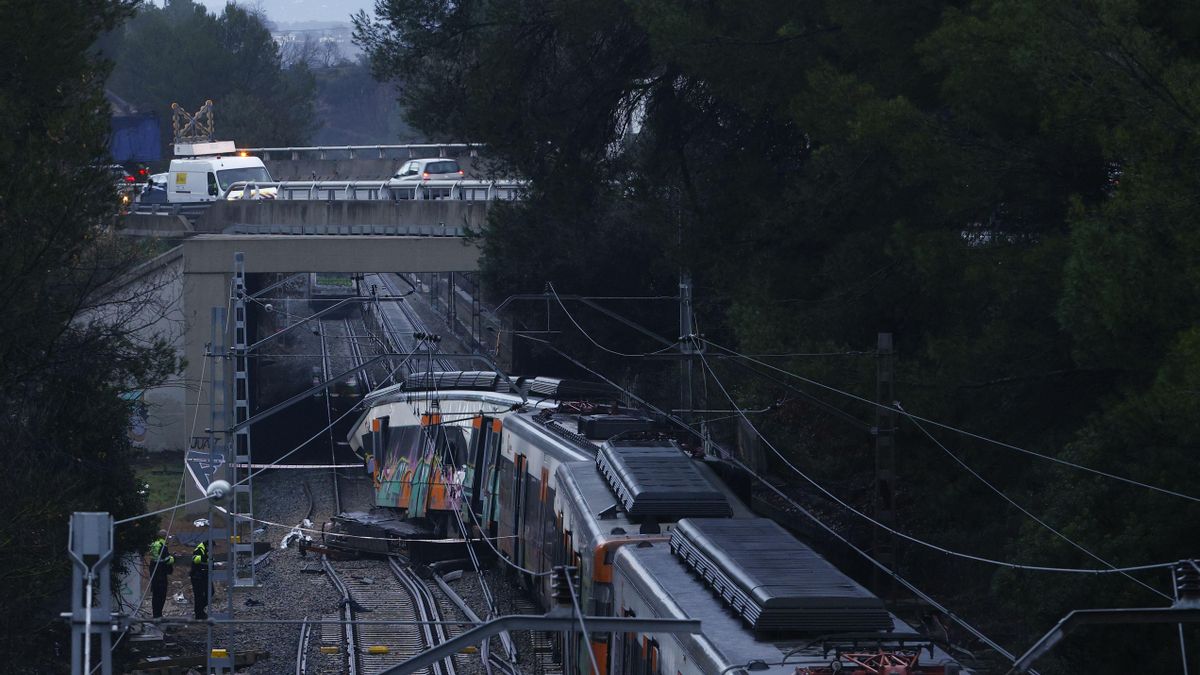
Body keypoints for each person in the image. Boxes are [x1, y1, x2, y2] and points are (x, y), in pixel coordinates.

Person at [147, 529, 174, 618]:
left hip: (154, 572)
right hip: (160, 574)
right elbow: (167, 560)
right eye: (168, 537)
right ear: (164, 537)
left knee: (155, 595)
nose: (169, 539)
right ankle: (158, 615)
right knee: (161, 595)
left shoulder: (155, 544)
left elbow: (158, 557)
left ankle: (156, 614)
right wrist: (172, 558)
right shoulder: (163, 546)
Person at [190, 540, 209, 621]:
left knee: (209, 593)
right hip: (197, 576)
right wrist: (205, 557)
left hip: (204, 575)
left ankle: (199, 610)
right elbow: (195, 559)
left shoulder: (205, 549)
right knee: (199, 596)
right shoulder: (199, 549)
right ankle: (199, 613)